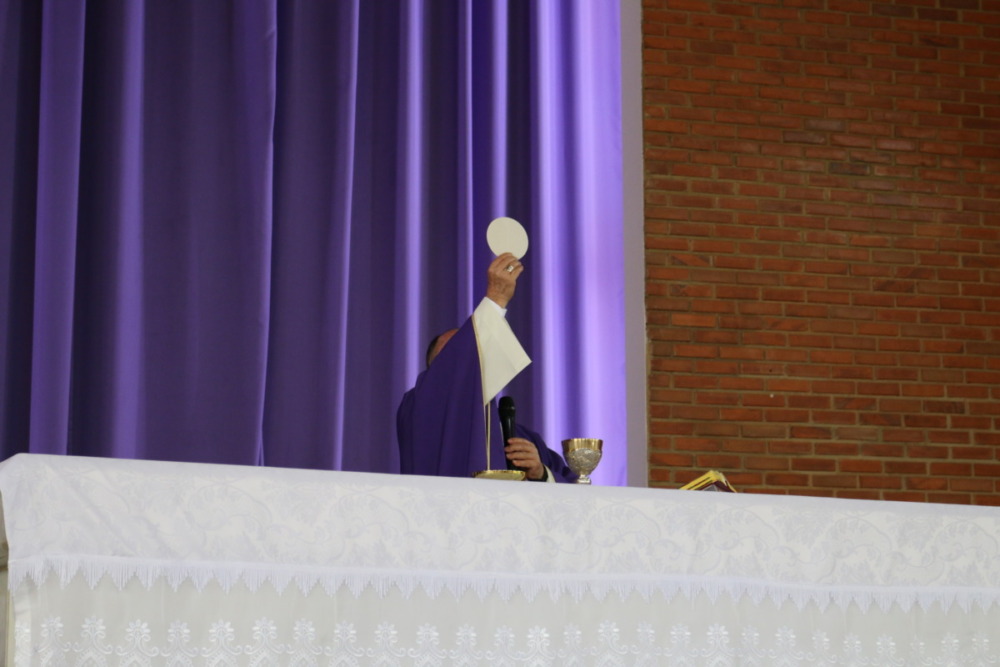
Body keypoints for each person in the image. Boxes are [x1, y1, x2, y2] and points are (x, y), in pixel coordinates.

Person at [396, 253, 576, 482]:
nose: (469, 361)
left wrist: (541, 473)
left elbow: (573, 489)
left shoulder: (523, 438)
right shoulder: (418, 408)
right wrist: (495, 299)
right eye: (455, 357)